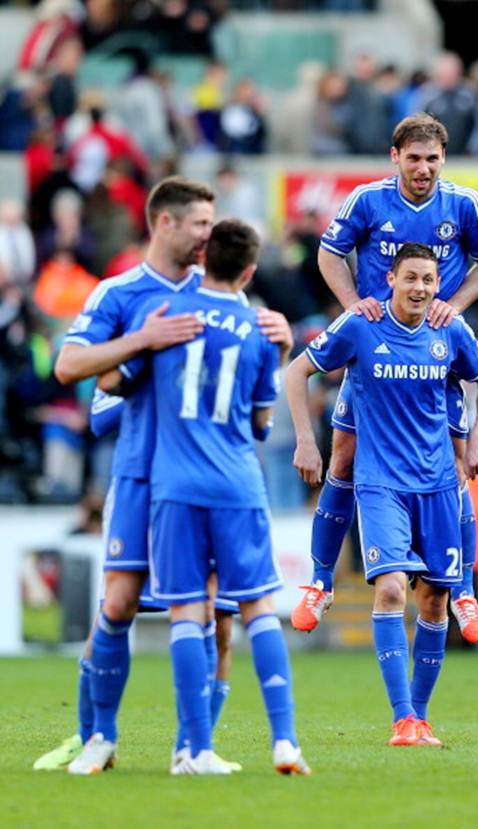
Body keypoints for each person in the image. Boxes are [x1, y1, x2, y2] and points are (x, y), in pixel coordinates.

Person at [36, 177, 290, 774]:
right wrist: (142, 341)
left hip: (208, 480)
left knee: (217, 617)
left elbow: (251, 401)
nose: (209, 234)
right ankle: (96, 736)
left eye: (212, 224)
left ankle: (193, 746)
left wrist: (273, 345)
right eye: (200, 223)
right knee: (119, 604)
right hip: (142, 477)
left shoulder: (227, 301)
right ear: (166, 223)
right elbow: (70, 365)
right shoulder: (122, 294)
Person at [106, 219, 310, 775]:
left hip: (175, 487)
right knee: (259, 607)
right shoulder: (261, 330)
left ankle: (193, 750)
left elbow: (108, 381)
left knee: (186, 613)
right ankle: (285, 741)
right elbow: (263, 423)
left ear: (202, 260)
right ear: (247, 271)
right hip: (238, 483)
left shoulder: (169, 318)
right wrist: (285, 346)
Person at [292, 113, 478, 643]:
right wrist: (354, 309)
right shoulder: (367, 200)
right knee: (342, 453)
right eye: (414, 158)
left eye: (433, 158)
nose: (424, 168)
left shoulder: (464, 204)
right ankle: (320, 581)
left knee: (454, 465)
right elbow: (329, 253)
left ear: (443, 160)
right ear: (395, 157)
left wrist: (452, 307)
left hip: (434, 353)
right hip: (375, 350)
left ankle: (464, 591)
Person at [286, 243, 478, 745]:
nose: (421, 288)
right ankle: (401, 716)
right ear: (390, 280)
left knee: (433, 601)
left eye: (428, 279)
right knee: (389, 588)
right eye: (411, 279)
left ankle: (420, 716)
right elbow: (297, 371)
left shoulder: (450, 328)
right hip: (380, 482)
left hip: (439, 485)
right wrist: (303, 440)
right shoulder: (362, 325)